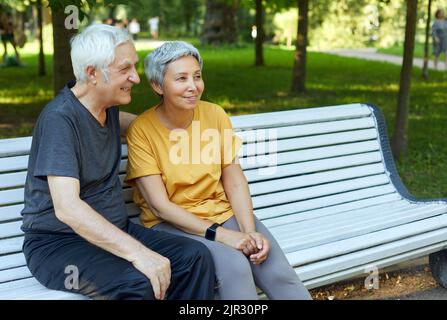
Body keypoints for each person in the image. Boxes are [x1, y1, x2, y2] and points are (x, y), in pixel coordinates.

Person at [21, 26, 215, 300]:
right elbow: (68, 209)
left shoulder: (107, 108)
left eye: (134, 67)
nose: (136, 78)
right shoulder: (60, 120)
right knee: (138, 281)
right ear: (92, 73)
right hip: (59, 245)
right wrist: (139, 254)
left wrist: (186, 134)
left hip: (115, 230)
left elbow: (144, 127)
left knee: (194, 257)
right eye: (126, 69)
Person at [125, 41, 312, 300]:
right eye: (181, 78)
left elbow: (234, 181)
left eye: (197, 76)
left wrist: (249, 231)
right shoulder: (142, 131)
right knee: (235, 267)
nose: (193, 86)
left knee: (276, 270)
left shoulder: (214, 115)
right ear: (158, 86)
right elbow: (160, 207)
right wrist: (225, 236)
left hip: (221, 213)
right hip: (172, 225)